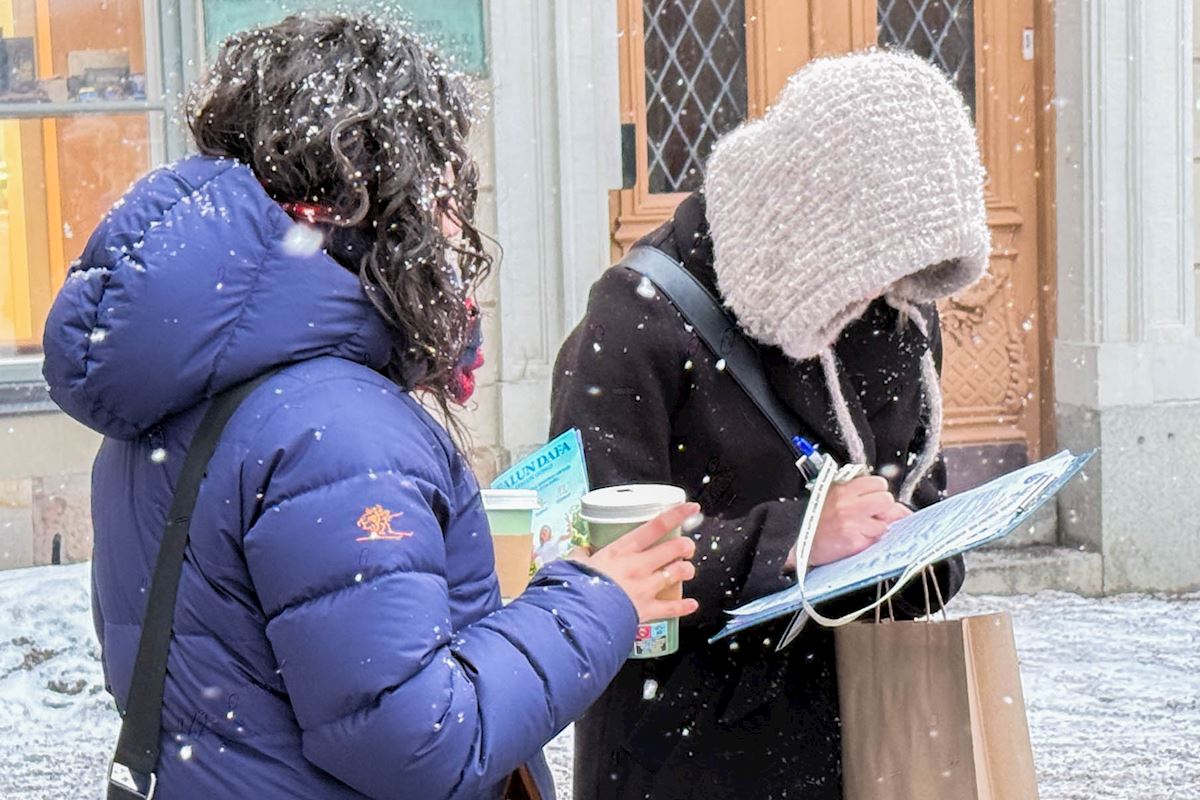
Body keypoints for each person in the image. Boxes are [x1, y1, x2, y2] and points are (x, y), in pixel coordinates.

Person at [41, 15, 698, 800]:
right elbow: (419, 743)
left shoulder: (194, 386)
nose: (456, 225)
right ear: (382, 195)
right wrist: (596, 601)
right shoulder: (339, 430)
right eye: (445, 188)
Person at [550, 50, 989, 800]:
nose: (895, 290)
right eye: (884, 265)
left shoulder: (901, 305)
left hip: (866, 730)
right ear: (822, 225)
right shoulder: (636, 314)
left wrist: (923, 550)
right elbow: (585, 560)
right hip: (682, 750)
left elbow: (915, 488)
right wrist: (796, 539)